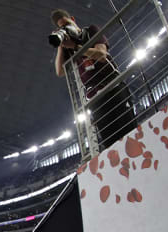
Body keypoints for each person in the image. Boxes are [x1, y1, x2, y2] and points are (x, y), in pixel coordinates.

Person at [51, 8, 137, 150]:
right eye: (61, 28)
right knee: (111, 144)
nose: (65, 29)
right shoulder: (68, 47)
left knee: (130, 133)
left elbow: (101, 55)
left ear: (73, 19)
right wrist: (60, 45)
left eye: (66, 24)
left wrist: (75, 47)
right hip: (95, 98)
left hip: (113, 87)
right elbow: (60, 71)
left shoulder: (90, 31)